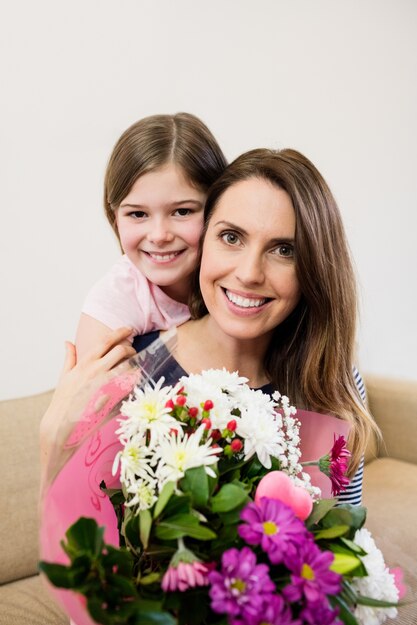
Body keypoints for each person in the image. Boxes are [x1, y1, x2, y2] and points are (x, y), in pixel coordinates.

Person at [41, 147, 378, 506]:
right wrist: (53, 436)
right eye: (231, 237)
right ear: (203, 241)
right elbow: (75, 545)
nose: (249, 273)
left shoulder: (333, 383)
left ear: (314, 268)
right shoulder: (132, 371)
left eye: (283, 250)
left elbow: (342, 541)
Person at [75, 112, 227, 359]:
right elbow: (89, 394)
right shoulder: (116, 297)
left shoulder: (240, 276)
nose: (159, 236)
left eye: (181, 211)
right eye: (137, 214)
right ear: (115, 217)